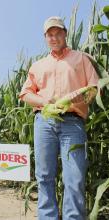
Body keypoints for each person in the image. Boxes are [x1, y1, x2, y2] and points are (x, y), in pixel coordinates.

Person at [18, 16, 100, 220]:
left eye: (58, 33)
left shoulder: (81, 58)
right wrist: (46, 102)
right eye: (50, 35)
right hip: (44, 122)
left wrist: (77, 98)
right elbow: (25, 94)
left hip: (73, 122)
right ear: (46, 38)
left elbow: (94, 87)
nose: (54, 38)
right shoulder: (38, 65)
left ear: (65, 34)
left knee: (75, 176)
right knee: (45, 176)